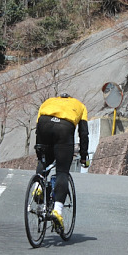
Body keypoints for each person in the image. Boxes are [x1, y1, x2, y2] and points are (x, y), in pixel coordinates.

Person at [34, 93, 89, 230]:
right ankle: (57, 210)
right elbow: (84, 134)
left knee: (44, 161)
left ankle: (38, 187)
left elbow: (37, 129)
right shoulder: (80, 106)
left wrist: (40, 155)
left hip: (44, 124)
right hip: (64, 128)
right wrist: (83, 156)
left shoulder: (48, 102)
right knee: (62, 171)